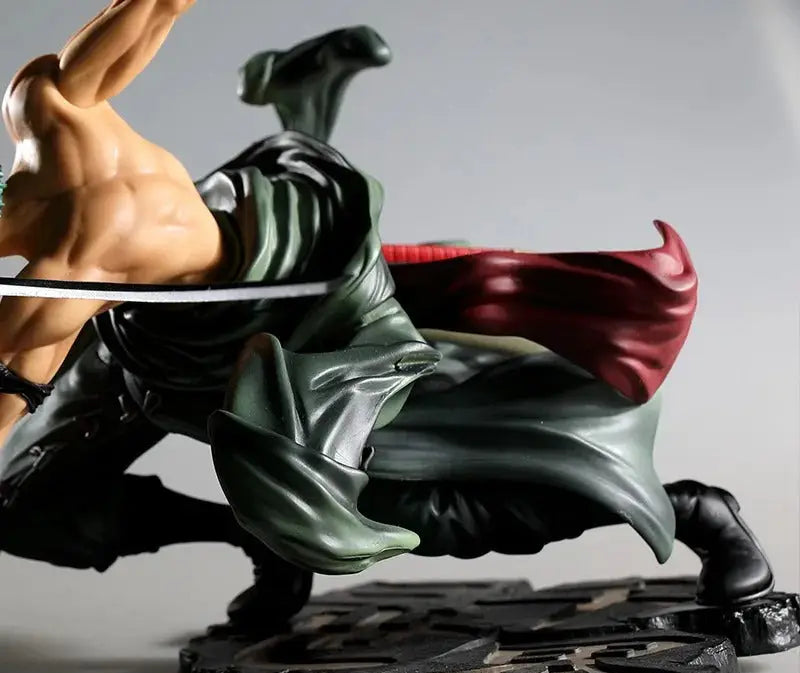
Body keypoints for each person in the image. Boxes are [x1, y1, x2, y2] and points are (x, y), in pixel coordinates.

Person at [0, 1, 773, 632]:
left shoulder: (64, 246)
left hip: (306, 332)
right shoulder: (46, 132)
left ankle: (695, 511)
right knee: (26, 503)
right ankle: (257, 540)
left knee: (420, 507)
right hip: (152, 345)